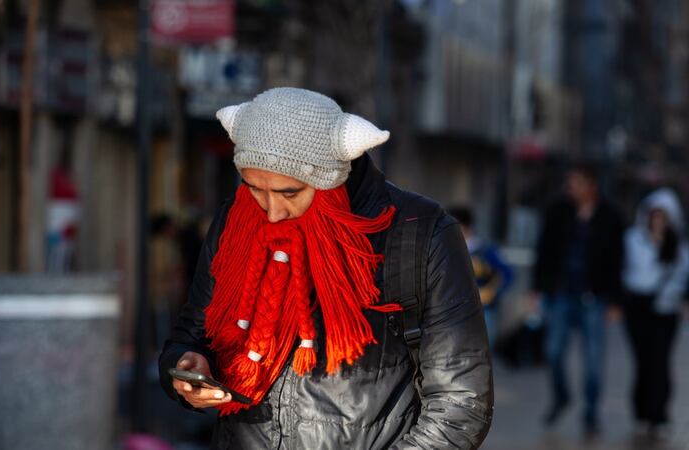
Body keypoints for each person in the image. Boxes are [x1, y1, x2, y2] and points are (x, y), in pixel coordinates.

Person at [157, 87, 493, 449]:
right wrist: (186, 366)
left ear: (332, 178)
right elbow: (193, 332)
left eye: (289, 193)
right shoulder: (234, 223)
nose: (272, 212)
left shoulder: (421, 235)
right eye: (254, 189)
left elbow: (461, 404)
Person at [531, 163, 624, 436]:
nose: (570, 187)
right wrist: (537, 289)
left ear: (591, 185)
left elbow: (618, 261)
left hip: (594, 298)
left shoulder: (610, 216)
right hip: (561, 296)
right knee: (553, 352)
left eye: (575, 182)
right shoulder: (558, 211)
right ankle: (561, 397)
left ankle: (591, 414)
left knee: (594, 363)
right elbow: (544, 250)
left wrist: (617, 302)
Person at [621, 188, 689, 439]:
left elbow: (684, 277)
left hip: (666, 310)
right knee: (643, 362)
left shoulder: (678, 246)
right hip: (638, 308)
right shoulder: (633, 239)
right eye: (654, 215)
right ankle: (642, 414)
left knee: (660, 362)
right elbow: (626, 271)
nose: (658, 220)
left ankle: (659, 414)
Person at [449, 206, 514, 348]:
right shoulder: (447, 250)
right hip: (454, 310)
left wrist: (493, 292)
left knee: (483, 352)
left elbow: (508, 273)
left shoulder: (485, 250)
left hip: (484, 310)